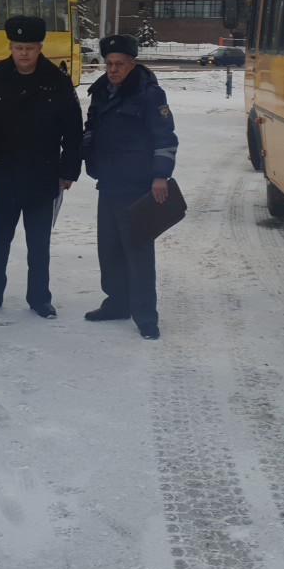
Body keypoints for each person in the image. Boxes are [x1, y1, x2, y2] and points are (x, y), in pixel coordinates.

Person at [0, 15, 83, 318]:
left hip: (43, 174)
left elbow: (72, 128)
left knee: (38, 244)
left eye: (30, 47)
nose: (24, 54)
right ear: (11, 47)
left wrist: (69, 170)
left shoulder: (57, 80)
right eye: (19, 48)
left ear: (40, 47)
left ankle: (40, 297)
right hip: (3, 172)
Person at [82, 33, 177, 340]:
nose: (112, 69)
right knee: (108, 250)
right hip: (108, 184)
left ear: (132, 64)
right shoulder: (100, 92)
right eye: (109, 63)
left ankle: (146, 315)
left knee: (137, 252)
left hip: (137, 186)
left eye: (119, 64)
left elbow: (165, 138)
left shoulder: (149, 94)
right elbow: (91, 129)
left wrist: (160, 175)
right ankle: (117, 303)